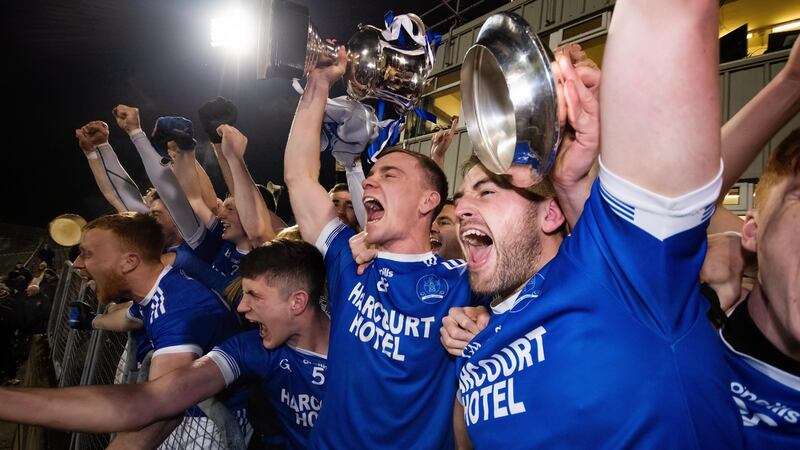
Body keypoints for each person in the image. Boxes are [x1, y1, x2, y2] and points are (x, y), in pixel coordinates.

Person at [445, 1, 744, 447]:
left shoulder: (627, 280)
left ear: (550, 213)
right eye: (463, 195)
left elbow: (668, 17)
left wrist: (577, 168)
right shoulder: (474, 340)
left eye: (487, 190)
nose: (463, 206)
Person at [283, 46, 471, 449]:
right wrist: (318, 82)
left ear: (428, 202)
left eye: (390, 174)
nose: (369, 181)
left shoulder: (463, 282)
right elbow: (299, 178)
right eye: (371, 174)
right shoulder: (347, 261)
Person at [0, 240, 328, 450]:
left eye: (254, 296)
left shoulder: (361, 345)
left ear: (297, 302)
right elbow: (152, 401)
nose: (242, 307)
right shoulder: (248, 348)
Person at [64, 212, 250, 448]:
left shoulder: (176, 310)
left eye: (87, 254)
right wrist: (92, 321)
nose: (79, 263)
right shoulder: (158, 287)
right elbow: (128, 319)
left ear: (129, 262)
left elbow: (157, 420)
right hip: (194, 414)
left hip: (212, 425)